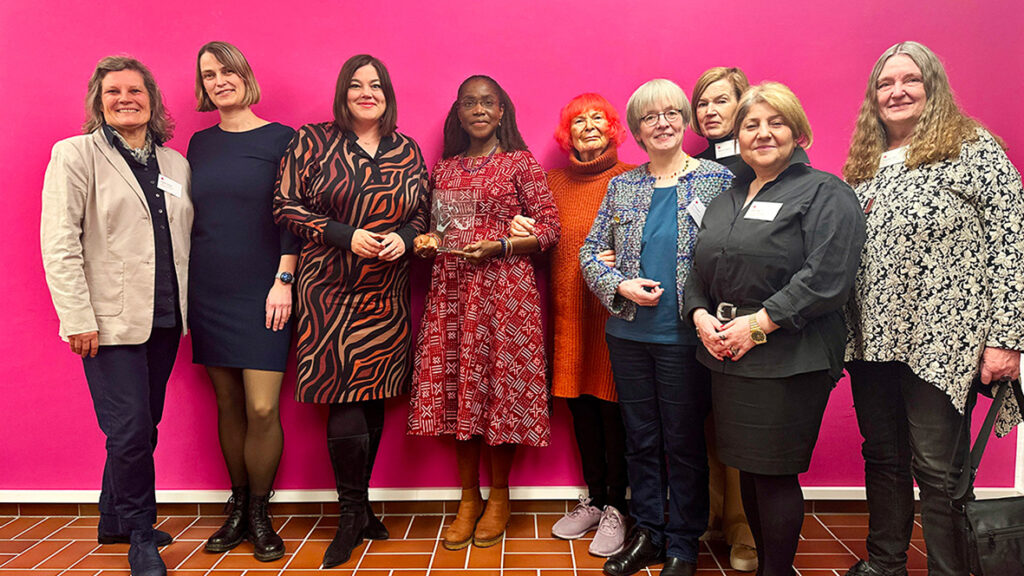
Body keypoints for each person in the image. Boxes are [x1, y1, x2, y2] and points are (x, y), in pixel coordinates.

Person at [842, 41, 1024, 576]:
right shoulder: (863, 163)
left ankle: (950, 571)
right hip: (871, 338)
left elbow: (1013, 242)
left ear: (933, 86)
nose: (896, 91)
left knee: (940, 470)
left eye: (910, 80)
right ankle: (885, 563)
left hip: (945, 341)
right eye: (884, 83)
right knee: (883, 457)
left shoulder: (974, 147)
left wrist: (1006, 338)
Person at [684, 82, 865, 576]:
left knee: (775, 473)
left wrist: (758, 326)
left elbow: (827, 277)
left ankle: (777, 571)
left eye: (775, 122)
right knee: (747, 466)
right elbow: (697, 271)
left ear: (798, 131)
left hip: (789, 356)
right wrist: (700, 316)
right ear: (738, 139)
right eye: (751, 125)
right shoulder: (729, 198)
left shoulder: (826, 192)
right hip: (727, 354)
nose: (762, 133)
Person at [273, 54, 430, 569]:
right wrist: (347, 235)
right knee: (342, 393)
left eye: (377, 85)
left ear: (388, 93)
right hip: (328, 288)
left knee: (376, 394)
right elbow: (286, 205)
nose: (368, 92)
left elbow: (423, 213)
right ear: (343, 92)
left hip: (386, 287)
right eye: (358, 85)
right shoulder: (312, 140)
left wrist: (403, 240)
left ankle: (361, 509)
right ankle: (348, 517)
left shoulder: (406, 149)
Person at [40, 56, 192, 576]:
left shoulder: (175, 165)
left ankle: (113, 517)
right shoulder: (75, 155)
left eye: (135, 90)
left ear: (152, 98)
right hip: (105, 321)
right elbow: (59, 242)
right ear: (98, 102)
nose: (125, 98)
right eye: (113, 92)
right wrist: (77, 315)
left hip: (167, 317)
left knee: (143, 426)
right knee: (128, 431)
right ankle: (140, 535)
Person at [580, 79, 734, 576]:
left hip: (685, 337)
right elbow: (588, 253)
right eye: (650, 117)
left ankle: (683, 545)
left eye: (671, 113)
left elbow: (735, 254)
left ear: (684, 120)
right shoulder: (623, 185)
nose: (662, 123)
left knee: (684, 441)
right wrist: (618, 284)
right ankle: (647, 532)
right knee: (640, 438)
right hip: (627, 336)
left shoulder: (717, 181)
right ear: (637, 130)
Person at [408, 75, 560, 551]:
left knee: (499, 389)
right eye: (469, 102)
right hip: (451, 292)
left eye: (487, 102)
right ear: (459, 112)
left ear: (501, 112)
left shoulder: (520, 163)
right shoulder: (446, 168)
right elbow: (439, 229)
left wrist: (501, 245)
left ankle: (499, 496)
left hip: (506, 293)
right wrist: (428, 243)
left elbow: (551, 230)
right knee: (459, 391)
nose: (478, 108)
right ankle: (467, 498)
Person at [187, 41, 297, 562]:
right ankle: (236, 508)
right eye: (209, 75)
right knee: (228, 403)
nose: (219, 81)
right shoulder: (198, 145)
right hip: (208, 287)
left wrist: (284, 278)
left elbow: (294, 216)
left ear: (245, 76)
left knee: (261, 405)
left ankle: (260, 511)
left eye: (227, 71)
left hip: (264, 287)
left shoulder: (283, 139)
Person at [688, 65, 758, 573]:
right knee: (703, 421)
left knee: (743, 426)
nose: (710, 112)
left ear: (743, 104)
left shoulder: (762, 162)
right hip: (696, 313)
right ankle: (714, 517)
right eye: (703, 104)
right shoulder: (688, 165)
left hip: (750, 318)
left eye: (721, 102)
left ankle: (746, 530)